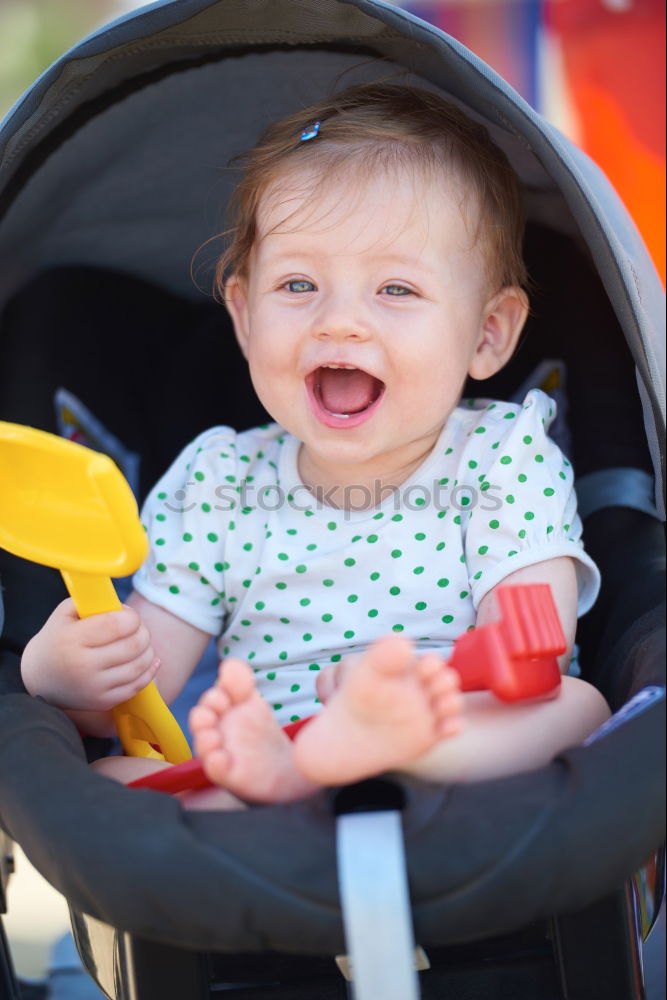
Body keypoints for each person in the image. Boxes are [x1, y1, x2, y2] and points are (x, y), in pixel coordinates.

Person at [20, 83, 610, 809]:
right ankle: (296, 776)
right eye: (299, 283)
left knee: (576, 705)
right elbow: (136, 694)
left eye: (395, 289)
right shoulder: (221, 480)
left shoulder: (501, 455)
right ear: (243, 315)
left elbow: (532, 642)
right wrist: (67, 672)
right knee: (106, 779)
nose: (341, 323)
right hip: (265, 753)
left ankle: (383, 750)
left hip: (451, 732)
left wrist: (405, 700)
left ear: (486, 334)